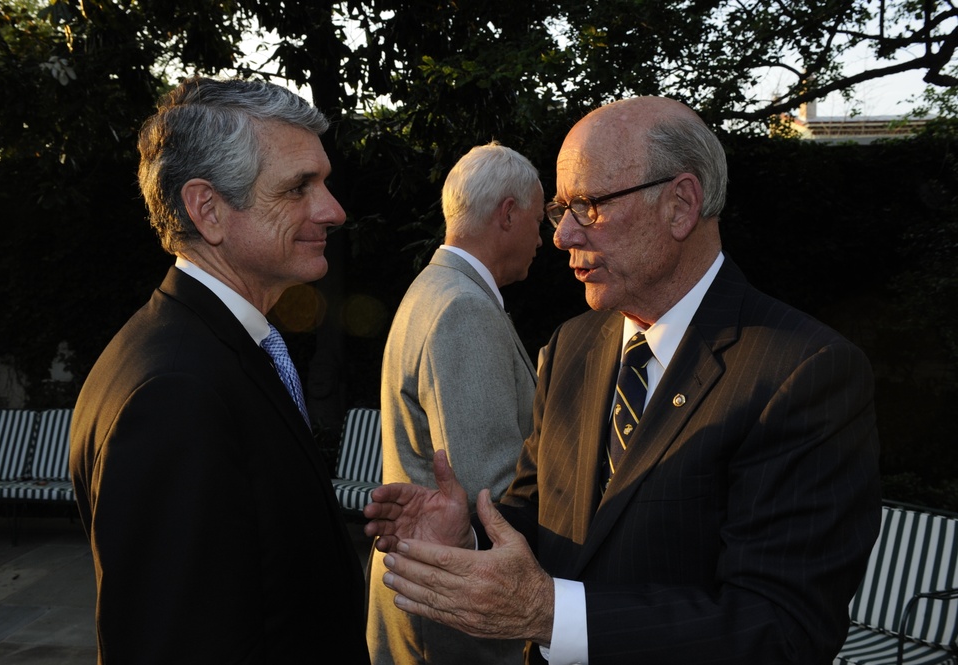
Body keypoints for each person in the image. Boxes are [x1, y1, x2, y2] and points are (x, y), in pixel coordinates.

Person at [363, 96, 882, 664]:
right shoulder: (573, 347)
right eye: (561, 208)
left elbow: (782, 632)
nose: (561, 236)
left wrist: (550, 614)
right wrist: (468, 537)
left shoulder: (805, 372)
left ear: (681, 204)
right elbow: (535, 517)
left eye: (587, 205)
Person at [69, 76, 370, 663]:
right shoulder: (175, 392)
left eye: (325, 183)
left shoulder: (212, 346)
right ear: (207, 209)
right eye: (298, 188)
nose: (333, 210)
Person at [368, 142, 543, 665]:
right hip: (449, 611)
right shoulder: (464, 308)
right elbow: (487, 483)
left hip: (420, 588)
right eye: (538, 220)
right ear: (507, 214)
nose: (547, 238)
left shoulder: (433, 288)